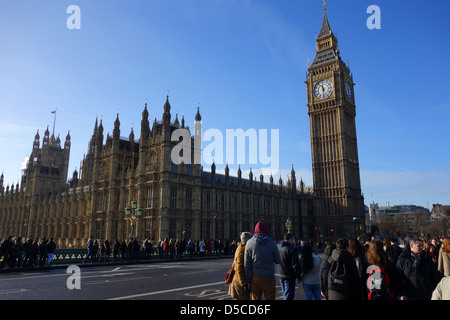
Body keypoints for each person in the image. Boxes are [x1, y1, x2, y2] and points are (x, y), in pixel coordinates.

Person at [244, 221, 281, 300]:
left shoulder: (249, 243)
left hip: (255, 278)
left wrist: (247, 280)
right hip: (269, 277)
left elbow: (246, 265)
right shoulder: (272, 242)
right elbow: (278, 260)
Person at [275, 233, 302, 300]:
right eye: (293, 239)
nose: (294, 241)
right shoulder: (291, 249)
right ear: (290, 239)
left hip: (280, 274)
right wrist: (299, 276)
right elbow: (295, 265)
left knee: (285, 294)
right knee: (289, 296)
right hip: (289, 276)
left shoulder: (278, 247)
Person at [228, 232, 253, 300]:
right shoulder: (242, 250)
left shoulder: (240, 247)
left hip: (238, 280)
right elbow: (239, 267)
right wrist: (243, 282)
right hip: (239, 282)